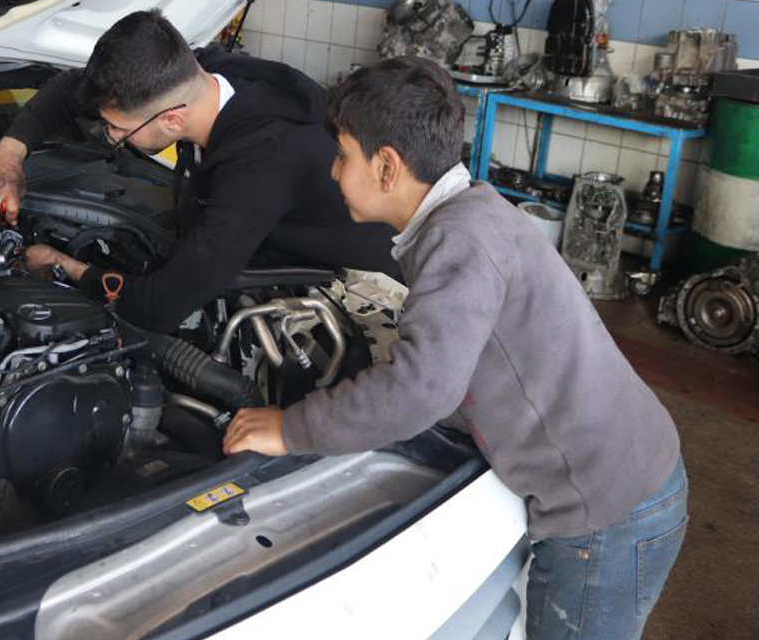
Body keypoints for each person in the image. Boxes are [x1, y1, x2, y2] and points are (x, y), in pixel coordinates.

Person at [222, 56, 686, 640]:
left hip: (606, 511)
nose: (334, 172)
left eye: (342, 155)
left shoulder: (457, 241)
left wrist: (292, 427)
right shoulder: (472, 211)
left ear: (386, 166)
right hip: (624, 475)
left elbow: (420, 390)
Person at [0, 9, 400, 333]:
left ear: (173, 120)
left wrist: (61, 265)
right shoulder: (197, 75)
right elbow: (67, 90)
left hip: (363, 290)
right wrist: (9, 157)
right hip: (273, 234)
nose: (110, 135)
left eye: (118, 130)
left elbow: (158, 308)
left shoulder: (259, 168)